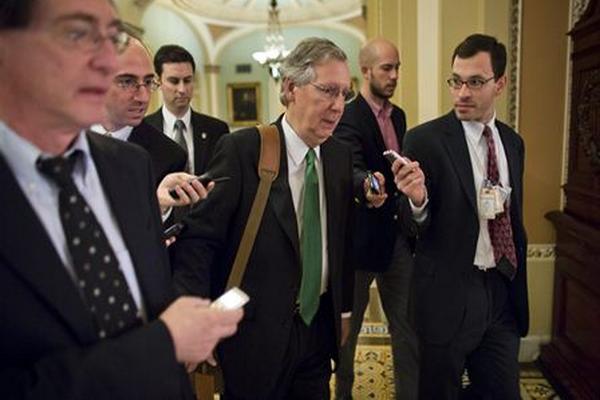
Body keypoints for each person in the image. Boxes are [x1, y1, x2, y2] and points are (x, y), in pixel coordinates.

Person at [0, 1, 242, 399]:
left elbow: (153, 298)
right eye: (76, 34)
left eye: (111, 37)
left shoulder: (129, 166)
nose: (106, 59)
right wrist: (165, 343)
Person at [171, 37, 355, 399]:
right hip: (252, 337)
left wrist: (343, 311)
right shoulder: (243, 150)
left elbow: (341, 239)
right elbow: (200, 242)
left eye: (344, 94)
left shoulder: (339, 156)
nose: (338, 106)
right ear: (290, 88)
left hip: (317, 331)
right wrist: (196, 323)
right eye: (328, 90)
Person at [395, 34, 528, 399]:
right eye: (455, 80)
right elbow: (409, 227)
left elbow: (513, 217)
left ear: (499, 84)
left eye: (474, 82)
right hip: (448, 296)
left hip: (501, 291)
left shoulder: (513, 143)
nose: (462, 93)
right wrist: (418, 200)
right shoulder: (425, 140)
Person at [333, 38, 418, 400]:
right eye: (387, 68)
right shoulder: (347, 115)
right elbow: (352, 167)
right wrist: (369, 186)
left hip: (397, 238)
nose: (395, 75)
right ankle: (344, 395)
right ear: (365, 71)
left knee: (408, 328)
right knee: (347, 337)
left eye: (397, 67)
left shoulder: (398, 116)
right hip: (357, 241)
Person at [92, 35, 207, 213]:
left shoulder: (169, 156)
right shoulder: (55, 140)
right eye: (128, 82)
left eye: (148, 82)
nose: (144, 97)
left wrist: (158, 205)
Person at [145, 44, 229, 175]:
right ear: (158, 81)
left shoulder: (217, 130)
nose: (182, 89)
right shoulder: (143, 130)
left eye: (188, 80)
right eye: (174, 81)